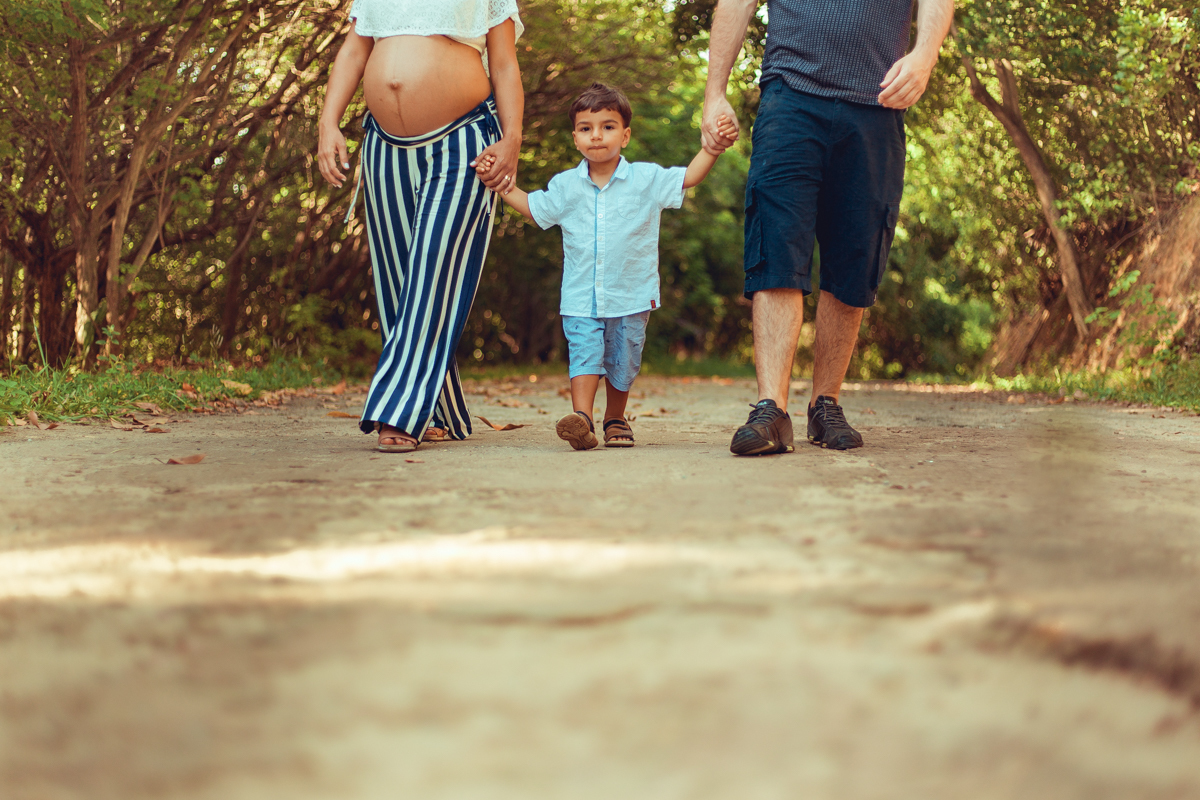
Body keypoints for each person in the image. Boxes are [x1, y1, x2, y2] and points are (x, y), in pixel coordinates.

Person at [701, 0, 954, 455]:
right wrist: (713, 94)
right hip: (790, 97)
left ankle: (825, 405)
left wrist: (925, 53)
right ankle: (771, 409)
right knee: (776, 244)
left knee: (856, 255)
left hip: (877, 104)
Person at [475, 83, 738, 450]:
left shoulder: (646, 179)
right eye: (586, 128)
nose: (596, 135)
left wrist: (712, 148)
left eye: (608, 126)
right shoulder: (565, 186)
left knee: (623, 360)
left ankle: (615, 418)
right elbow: (534, 208)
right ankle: (581, 420)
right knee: (584, 354)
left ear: (625, 135)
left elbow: (689, 177)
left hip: (631, 294)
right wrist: (498, 181)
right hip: (581, 295)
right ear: (575, 138)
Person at [317, 0, 525, 453]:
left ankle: (399, 410)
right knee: (397, 284)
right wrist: (328, 122)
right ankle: (437, 410)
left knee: (434, 272)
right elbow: (355, 51)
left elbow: (505, 65)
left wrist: (512, 139)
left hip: (462, 142)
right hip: (384, 147)